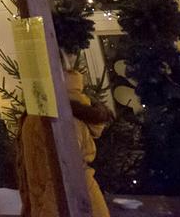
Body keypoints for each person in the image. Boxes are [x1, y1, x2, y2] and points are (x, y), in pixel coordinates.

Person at [17, 69, 112, 217]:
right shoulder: (47, 111)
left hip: (75, 206)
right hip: (76, 203)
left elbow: (61, 180)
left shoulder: (58, 118)